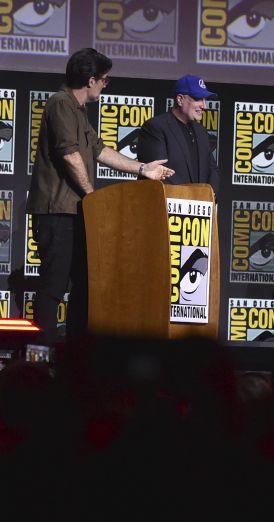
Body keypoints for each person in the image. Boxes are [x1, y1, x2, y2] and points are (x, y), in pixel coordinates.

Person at [26, 48, 173, 344]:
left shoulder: (79, 110)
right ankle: (40, 357)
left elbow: (100, 151)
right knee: (54, 286)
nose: (106, 85)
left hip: (77, 211)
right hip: (57, 212)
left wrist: (143, 168)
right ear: (91, 80)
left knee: (83, 285)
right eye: (105, 80)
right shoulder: (60, 104)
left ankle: (77, 356)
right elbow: (68, 154)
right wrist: (92, 196)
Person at [138, 75, 220, 194]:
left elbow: (212, 169)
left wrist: (211, 195)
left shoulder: (201, 131)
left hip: (199, 208)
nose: (204, 106)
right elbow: (160, 175)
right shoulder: (155, 127)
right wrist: (189, 200)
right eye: (198, 99)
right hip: (166, 207)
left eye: (204, 100)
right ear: (180, 99)